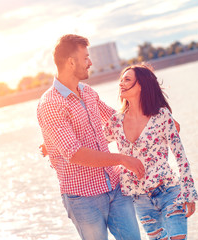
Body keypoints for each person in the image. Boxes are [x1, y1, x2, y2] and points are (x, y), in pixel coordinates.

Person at [36, 34, 144, 240]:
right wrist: (122, 159)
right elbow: (74, 153)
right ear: (71, 62)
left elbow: (117, 119)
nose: (90, 62)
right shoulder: (50, 104)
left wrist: (158, 120)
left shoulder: (87, 92)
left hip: (115, 187)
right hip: (83, 198)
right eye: (85, 58)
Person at [103, 64, 198, 240]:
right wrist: (53, 145)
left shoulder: (161, 116)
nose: (121, 84)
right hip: (140, 200)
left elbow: (180, 157)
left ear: (142, 85)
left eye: (127, 79)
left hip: (169, 191)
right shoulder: (115, 121)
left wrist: (188, 191)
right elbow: (93, 143)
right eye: (121, 80)